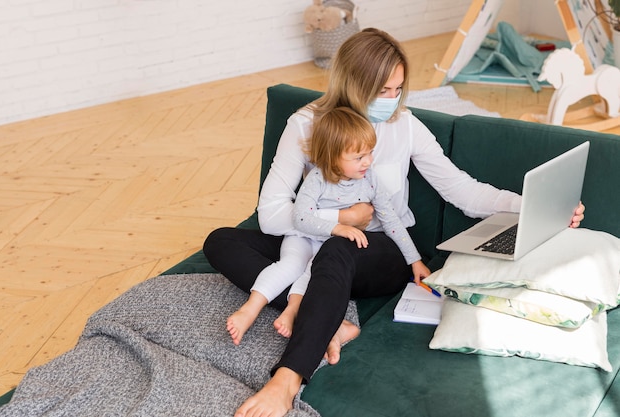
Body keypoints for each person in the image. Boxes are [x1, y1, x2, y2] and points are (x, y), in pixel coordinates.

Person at [203, 28, 586, 417]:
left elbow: (462, 190)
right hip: (314, 239)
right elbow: (270, 214)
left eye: (397, 89)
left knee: (340, 248)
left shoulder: (404, 125)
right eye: (381, 90)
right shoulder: (306, 125)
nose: (391, 100)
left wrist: (531, 205)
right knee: (221, 241)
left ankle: (286, 379)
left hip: (380, 252)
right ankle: (328, 320)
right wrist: (340, 218)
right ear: (353, 85)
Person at [226, 106, 431, 346]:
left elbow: (391, 221)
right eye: (358, 157)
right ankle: (250, 309)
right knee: (291, 265)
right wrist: (338, 227)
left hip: (330, 249)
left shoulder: (370, 180)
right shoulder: (317, 179)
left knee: (313, 273)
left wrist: (414, 260)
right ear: (333, 157)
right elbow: (300, 218)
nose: (368, 162)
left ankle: (293, 311)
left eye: (369, 153)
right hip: (304, 237)